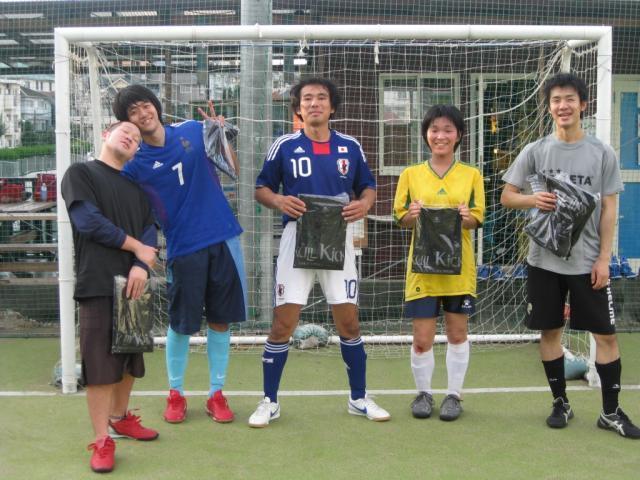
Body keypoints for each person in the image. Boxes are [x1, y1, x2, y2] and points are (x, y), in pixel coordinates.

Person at [501, 72, 640, 438]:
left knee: (606, 336)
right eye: (556, 100)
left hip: (587, 263)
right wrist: (533, 199)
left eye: (569, 99)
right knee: (550, 332)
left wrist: (603, 259)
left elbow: (609, 208)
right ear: (549, 107)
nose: (563, 106)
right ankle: (560, 402)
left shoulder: (602, 153)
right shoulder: (535, 151)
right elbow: (507, 196)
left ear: (582, 105)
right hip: (543, 261)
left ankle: (610, 412)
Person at [249, 77, 390, 427]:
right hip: (297, 237)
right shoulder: (284, 145)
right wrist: (279, 200)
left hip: (338, 238)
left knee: (349, 321)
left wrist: (364, 205)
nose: (314, 103)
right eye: (307, 98)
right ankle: (269, 401)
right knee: (283, 322)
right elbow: (261, 188)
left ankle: (358, 398)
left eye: (321, 97)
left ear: (332, 106)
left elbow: (368, 187)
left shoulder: (350, 146)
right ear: (298, 107)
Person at [112, 85, 247, 425]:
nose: (142, 114)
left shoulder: (192, 131)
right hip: (183, 247)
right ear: (127, 122)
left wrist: (220, 135)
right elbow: (126, 205)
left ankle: (216, 393)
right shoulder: (133, 163)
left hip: (223, 237)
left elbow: (234, 169)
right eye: (132, 112)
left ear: (155, 106)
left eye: (145, 105)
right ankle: (175, 393)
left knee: (220, 320)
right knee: (181, 324)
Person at [61, 121, 160, 473]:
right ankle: (102, 440)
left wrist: (141, 267)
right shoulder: (80, 173)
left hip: (134, 285)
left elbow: (150, 232)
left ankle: (120, 418)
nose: (131, 137)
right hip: (98, 284)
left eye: (136, 138)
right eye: (124, 131)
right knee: (101, 367)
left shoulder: (137, 190)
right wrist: (137, 249)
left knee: (131, 358)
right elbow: (88, 222)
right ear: (106, 134)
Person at [393, 105, 485, 421]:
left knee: (457, 334)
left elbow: (477, 219)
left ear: (459, 135)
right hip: (423, 271)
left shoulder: (472, 175)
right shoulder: (410, 175)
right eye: (434, 129)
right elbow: (401, 218)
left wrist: (466, 217)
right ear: (426, 134)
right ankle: (423, 394)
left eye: (448, 130)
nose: (440, 136)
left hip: (459, 271)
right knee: (422, 340)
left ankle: (453, 395)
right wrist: (411, 215)